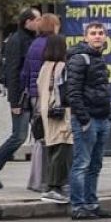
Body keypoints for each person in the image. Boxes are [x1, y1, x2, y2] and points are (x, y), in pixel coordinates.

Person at [0, 8, 40, 189]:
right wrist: (14, 102)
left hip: (31, 94)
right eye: (37, 19)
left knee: (38, 135)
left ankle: (38, 176)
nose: (39, 22)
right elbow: (12, 72)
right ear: (27, 21)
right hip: (21, 96)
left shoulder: (31, 39)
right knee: (19, 136)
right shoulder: (17, 41)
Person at [66, 22, 111, 220]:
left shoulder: (98, 58)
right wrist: (84, 118)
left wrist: (107, 115)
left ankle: (91, 203)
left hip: (102, 117)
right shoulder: (80, 58)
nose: (97, 36)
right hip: (87, 119)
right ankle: (78, 206)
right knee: (82, 163)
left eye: (101, 33)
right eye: (93, 33)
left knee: (95, 165)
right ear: (85, 37)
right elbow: (73, 91)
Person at [22, 13, 61, 193]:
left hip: (34, 94)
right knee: (50, 136)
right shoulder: (52, 43)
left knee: (39, 136)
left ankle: (35, 179)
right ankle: (45, 179)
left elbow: (26, 72)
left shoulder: (33, 44)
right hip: (48, 95)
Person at [37, 35, 73, 204]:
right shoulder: (62, 67)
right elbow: (66, 91)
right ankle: (54, 187)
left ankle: (52, 185)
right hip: (60, 113)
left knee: (52, 148)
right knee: (62, 148)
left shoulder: (45, 67)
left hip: (46, 111)